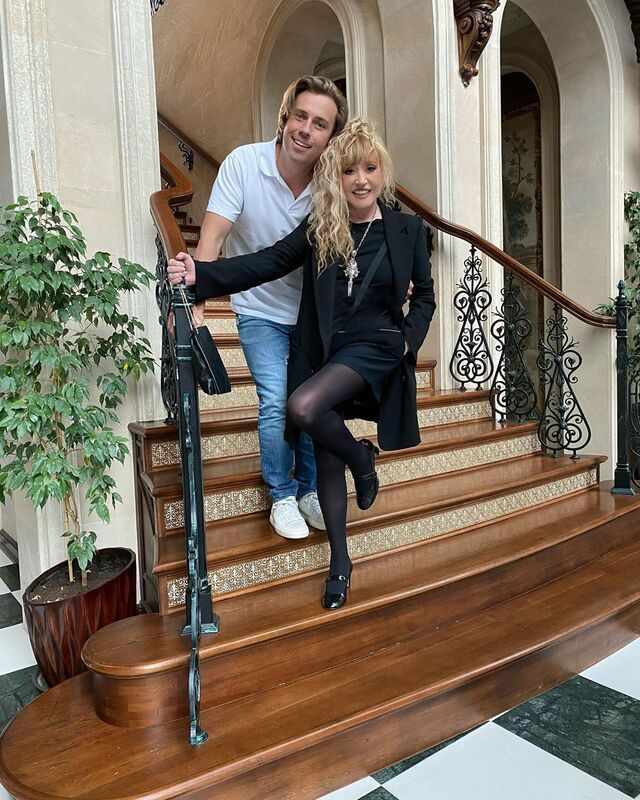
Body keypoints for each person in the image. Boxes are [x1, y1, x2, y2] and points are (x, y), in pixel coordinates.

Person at [168, 117, 436, 610]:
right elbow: (265, 262)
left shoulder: (407, 230)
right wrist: (199, 274)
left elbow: (425, 298)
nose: (360, 180)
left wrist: (407, 343)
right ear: (336, 178)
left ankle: (362, 459)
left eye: (369, 169)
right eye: (349, 171)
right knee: (326, 453)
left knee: (302, 406)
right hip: (328, 351)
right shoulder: (321, 227)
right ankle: (340, 563)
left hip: (378, 346)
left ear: (383, 173)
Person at [195, 76, 348, 541]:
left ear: (330, 137)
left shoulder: (331, 183)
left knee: (311, 403)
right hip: (258, 307)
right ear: (285, 118)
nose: (306, 129)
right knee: (277, 401)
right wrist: (196, 303)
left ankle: (309, 489)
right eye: (300, 116)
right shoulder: (244, 164)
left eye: (319, 124)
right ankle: (282, 494)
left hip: (311, 314)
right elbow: (212, 238)